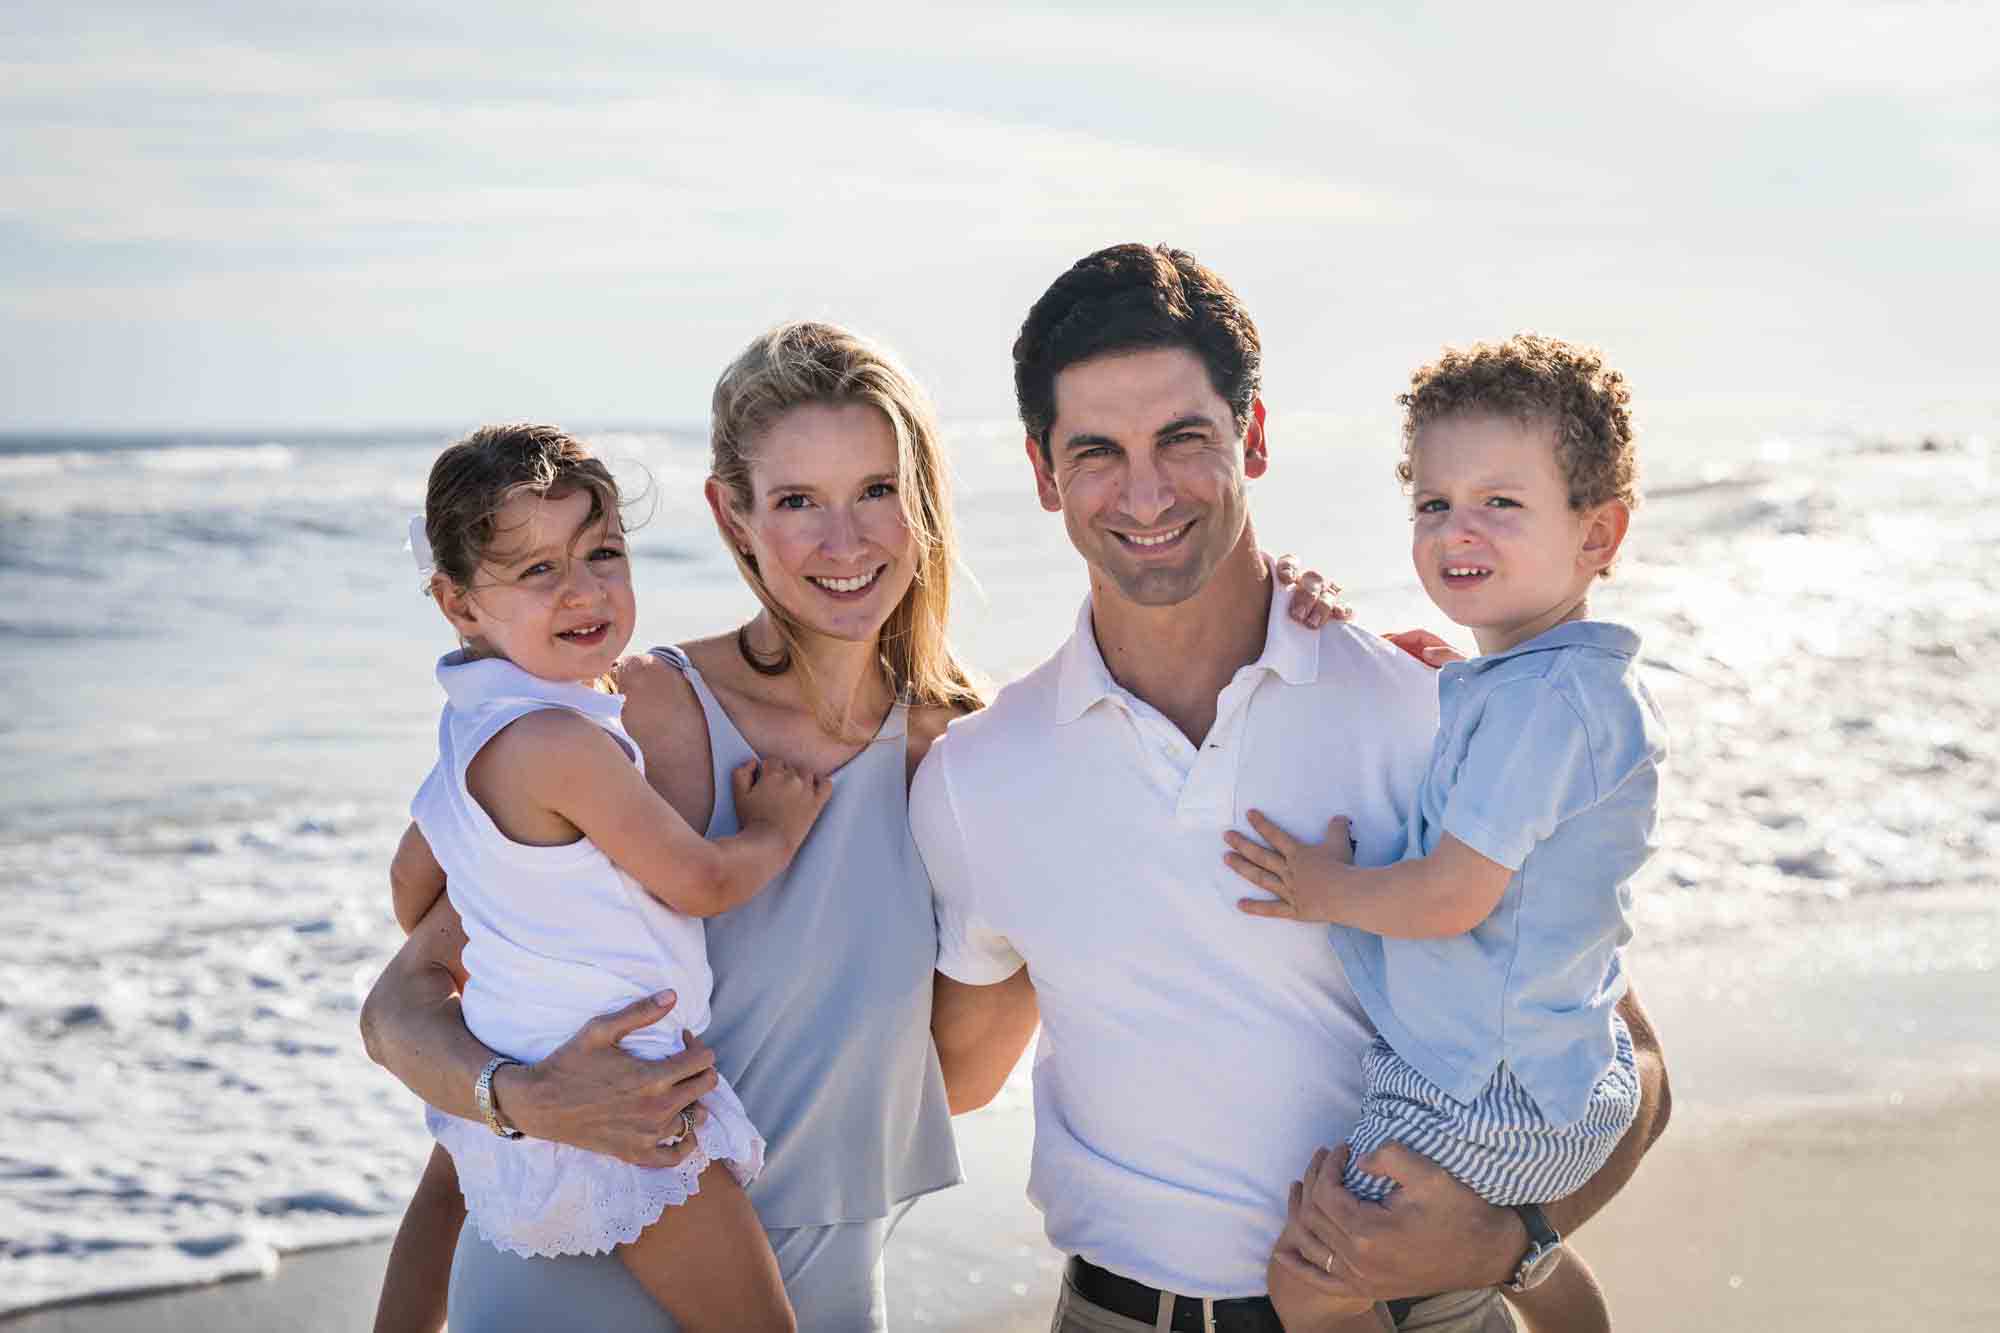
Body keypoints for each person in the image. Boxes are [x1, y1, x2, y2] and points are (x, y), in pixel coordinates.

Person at [360, 322, 1347, 1333]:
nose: (844, 543)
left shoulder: (976, 761)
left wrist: (1308, 623)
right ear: (731, 514)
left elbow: (957, 1078)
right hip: (584, 1272)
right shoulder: (629, 716)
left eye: (876, 490)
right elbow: (406, 1001)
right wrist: (519, 1100)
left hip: (827, 1282)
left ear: (923, 499)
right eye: (796, 501)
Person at [910, 244, 1671, 1333]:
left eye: (1183, 438)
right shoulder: (977, 776)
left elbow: (1627, 1054)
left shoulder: (1425, 705)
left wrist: (1517, 1245)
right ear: (1040, 472)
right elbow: (945, 1080)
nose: (1144, 491)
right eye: (1095, 451)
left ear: (1252, 437)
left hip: (1432, 1312)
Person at [1221, 335, 1664, 1332]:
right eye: (1432, 503)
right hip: (1562, 1066)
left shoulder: (1535, 704)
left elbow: (1452, 895)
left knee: (1314, 1274)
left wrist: (1317, 889)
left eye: (1499, 503)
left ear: (1597, 534)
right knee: (1512, 1261)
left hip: (1481, 1096)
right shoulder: (1543, 682)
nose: (1455, 526)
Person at [391, 423, 832, 1330]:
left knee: (444, 1193)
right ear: (459, 602)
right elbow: (701, 882)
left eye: (604, 552)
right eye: (538, 570)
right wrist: (774, 829)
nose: (586, 589)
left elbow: (410, 885)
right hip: (626, 1099)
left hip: (520, 1050)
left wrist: (515, 915)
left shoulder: (470, 729)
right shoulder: (560, 743)